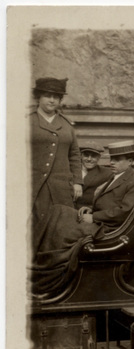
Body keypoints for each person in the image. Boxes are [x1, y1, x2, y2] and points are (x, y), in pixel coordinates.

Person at [30, 141, 134, 295]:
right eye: (112, 158)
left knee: (64, 230)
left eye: (118, 159)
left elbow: (123, 212)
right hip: (100, 220)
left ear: (130, 161)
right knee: (57, 211)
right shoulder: (115, 176)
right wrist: (90, 209)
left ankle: (49, 276)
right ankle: (36, 262)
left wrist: (93, 217)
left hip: (109, 228)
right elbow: (107, 203)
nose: (112, 162)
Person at [30, 77, 83, 251]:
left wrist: (77, 182)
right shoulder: (26, 121)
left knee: (61, 230)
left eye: (56, 96)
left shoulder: (67, 126)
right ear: (38, 97)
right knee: (35, 230)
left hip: (61, 189)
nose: (52, 100)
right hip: (34, 187)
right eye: (47, 95)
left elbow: (74, 155)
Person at [75, 141, 112, 209]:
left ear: (99, 157)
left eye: (93, 156)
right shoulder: (71, 170)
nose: (89, 159)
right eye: (86, 155)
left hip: (87, 212)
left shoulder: (106, 173)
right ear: (81, 155)